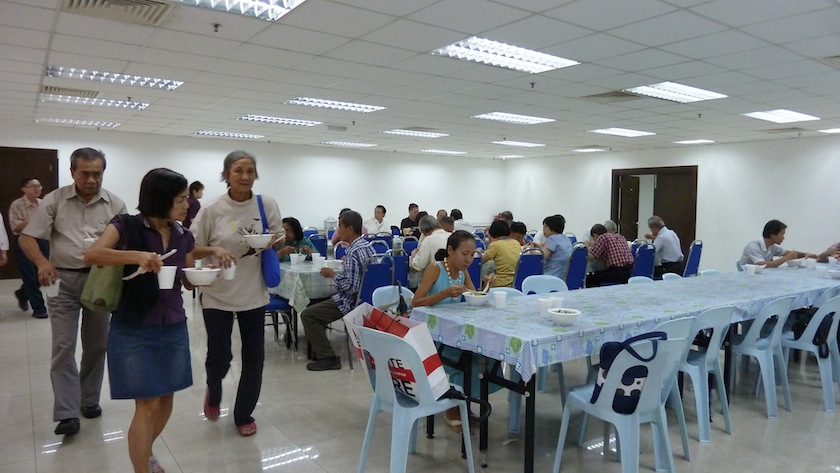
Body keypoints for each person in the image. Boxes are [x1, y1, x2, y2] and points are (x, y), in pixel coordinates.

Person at [84, 168, 229, 473]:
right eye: (180, 199)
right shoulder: (126, 225)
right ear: (161, 199)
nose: (187, 204)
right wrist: (136, 256)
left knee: (166, 401)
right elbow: (93, 254)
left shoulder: (181, 234)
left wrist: (206, 271)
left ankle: (145, 452)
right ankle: (142, 467)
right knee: (147, 405)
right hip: (134, 326)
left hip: (173, 325)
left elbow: (188, 280)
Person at [19, 147, 127, 436]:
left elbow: (124, 246)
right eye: (85, 173)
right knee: (63, 345)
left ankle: (89, 399)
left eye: (98, 173)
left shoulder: (115, 204)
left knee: (96, 344)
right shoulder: (55, 200)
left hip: (100, 281)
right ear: (72, 172)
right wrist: (42, 262)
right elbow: (27, 238)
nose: (92, 179)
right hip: (62, 281)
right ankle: (67, 412)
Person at [190, 150, 282, 437]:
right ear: (226, 175)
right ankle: (213, 388)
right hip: (217, 293)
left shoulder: (265, 204)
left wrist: (270, 242)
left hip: (253, 293)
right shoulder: (212, 209)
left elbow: (278, 239)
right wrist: (215, 250)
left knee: (254, 358)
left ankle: (243, 414)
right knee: (220, 356)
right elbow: (191, 248)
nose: (245, 176)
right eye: (238, 170)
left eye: (250, 171)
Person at [412, 230, 477, 432]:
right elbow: (416, 302)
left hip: (452, 332)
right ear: (450, 250)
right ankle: (453, 408)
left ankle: (463, 400)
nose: (468, 259)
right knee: (463, 357)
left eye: (472, 254)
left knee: (480, 357)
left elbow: (475, 295)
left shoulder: (462, 271)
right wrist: (444, 293)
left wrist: (477, 291)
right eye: (464, 253)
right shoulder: (436, 269)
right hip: (431, 336)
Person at [301, 210, 374, 371]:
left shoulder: (354, 251)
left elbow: (351, 287)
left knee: (308, 314)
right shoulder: (367, 246)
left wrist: (332, 275)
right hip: (368, 300)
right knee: (315, 305)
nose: (337, 230)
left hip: (350, 302)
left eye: (339, 226)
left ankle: (328, 357)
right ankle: (317, 351)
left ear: (349, 229)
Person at [9, 177, 49, 318]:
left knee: (42, 273)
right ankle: (39, 309)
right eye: (33, 186)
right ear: (24, 189)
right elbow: (15, 226)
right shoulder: (17, 205)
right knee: (29, 276)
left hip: (41, 240)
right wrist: (32, 219)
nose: (37, 189)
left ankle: (22, 294)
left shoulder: (43, 204)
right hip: (23, 240)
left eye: (39, 186)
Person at [739, 219, 815, 268]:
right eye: (782, 234)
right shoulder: (753, 246)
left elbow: (789, 253)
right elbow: (762, 265)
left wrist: (806, 254)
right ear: (772, 234)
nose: (783, 237)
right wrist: (787, 258)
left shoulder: (772, 247)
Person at [409, 215, 451, 286]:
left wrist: (413, 255)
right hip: (454, 280)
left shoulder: (428, 240)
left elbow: (417, 266)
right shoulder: (453, 236)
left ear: (424, 232)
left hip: (434, 284)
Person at [481, 220, 521, 287]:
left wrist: (478, 251)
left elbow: (480, 261)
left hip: (500, 283)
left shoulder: (495, 245)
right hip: (515, 281)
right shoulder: (516, 243)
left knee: (484, 277)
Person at [534, 214, 573, 280]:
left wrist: (531, 250)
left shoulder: (552, 239)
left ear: (550, 227)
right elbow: (556, 252)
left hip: (552, 275)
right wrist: (540, 247)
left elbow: (542, 257)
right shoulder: (566, 239)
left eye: (544, 227)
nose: (543, 230)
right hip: (564, 275)